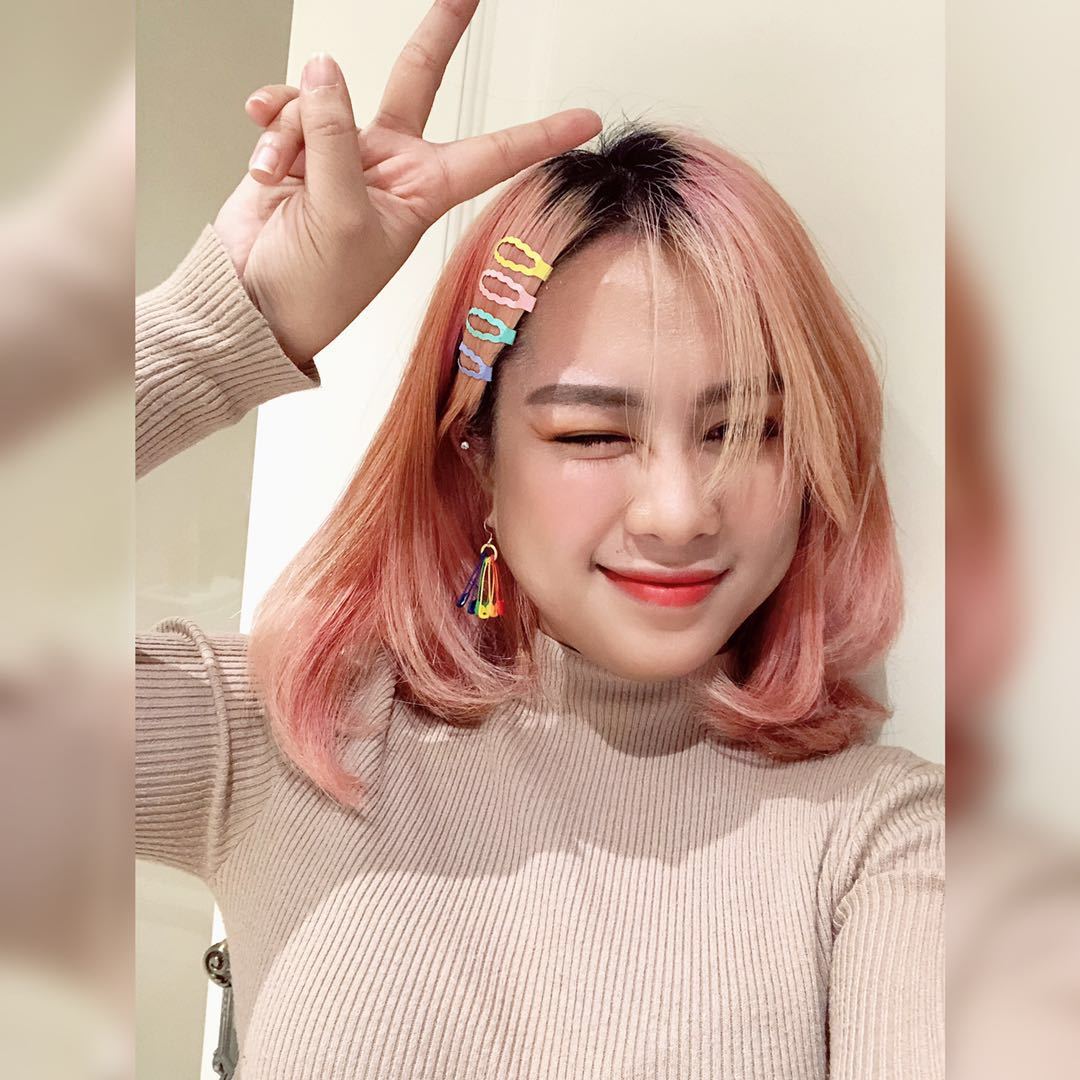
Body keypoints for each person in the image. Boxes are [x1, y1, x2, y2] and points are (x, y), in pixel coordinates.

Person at [136, 2, 944, 1076]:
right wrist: (231, 320)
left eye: (745, 429)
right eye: (591, 434)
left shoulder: (880, 841)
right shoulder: (289, 734)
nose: (677, 512)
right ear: (477, 453)